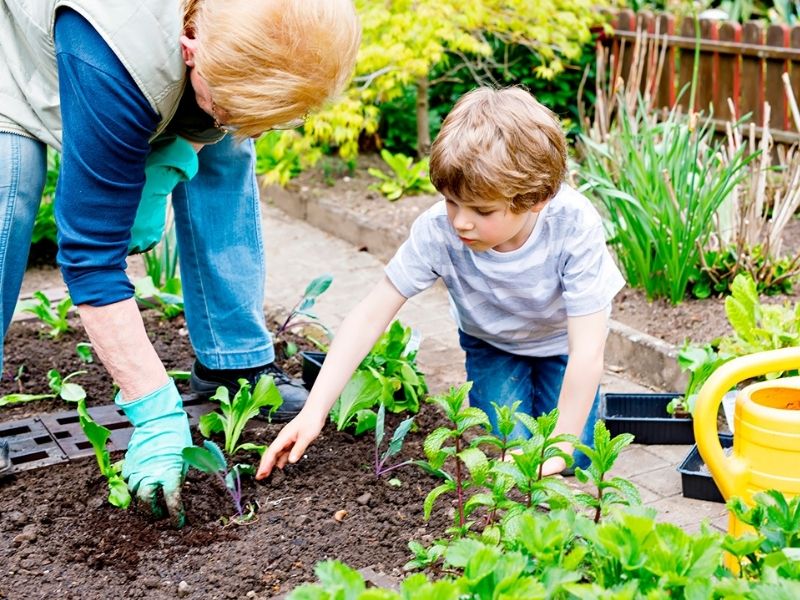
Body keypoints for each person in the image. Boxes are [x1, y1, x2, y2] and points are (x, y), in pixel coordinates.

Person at [0, 0, 360, 522]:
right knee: (9, 190)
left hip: (157, 60)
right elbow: (90, 258)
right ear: (191, 50)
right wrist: (152, 409)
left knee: (230, 147)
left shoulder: (256, 24)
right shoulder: (114, 50)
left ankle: (232, 364)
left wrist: (172, 159)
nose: (254, 128)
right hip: (20, 48)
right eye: (231, 109)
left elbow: (221, 113)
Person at [257, 86, 625, 481]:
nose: (461, 222)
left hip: (562, 348)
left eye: (482, 210)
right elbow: (370, 314)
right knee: (504, 452)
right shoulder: (438, 231)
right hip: (493, 344)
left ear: (537, 198)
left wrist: (563, 447)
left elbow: (587, 351)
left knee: (575, 458)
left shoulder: (573, 225)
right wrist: (314, 411)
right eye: (451, 202)